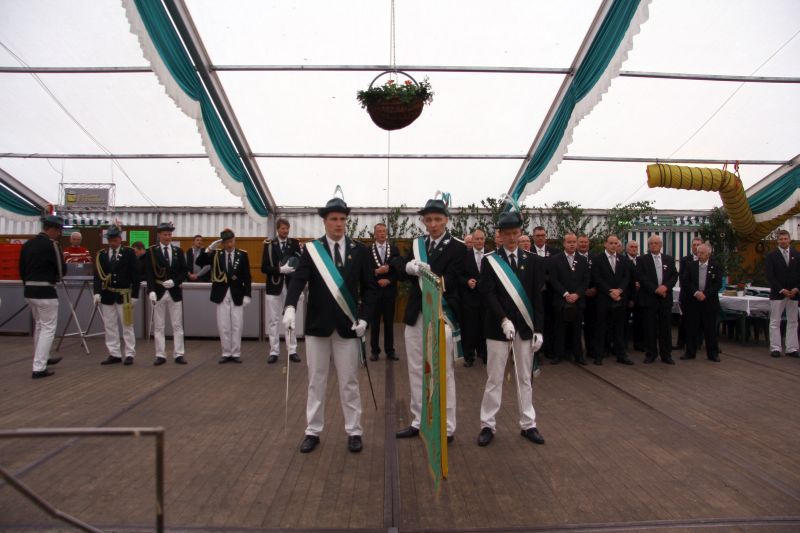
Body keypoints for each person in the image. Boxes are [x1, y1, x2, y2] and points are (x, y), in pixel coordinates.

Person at [282, 198, 377, 454]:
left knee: (349, 381)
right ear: (324, 221)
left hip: (348, 326)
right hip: (318, 326)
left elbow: (370, 289)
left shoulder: (360, 251)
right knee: (316, 381)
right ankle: (313, 430)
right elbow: (298, 280)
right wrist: (290, 306)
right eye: (333, 219)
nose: (338, 224)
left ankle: (354, 430)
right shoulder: (312, 250)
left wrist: (365, 318)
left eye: (342, 219)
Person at [395, 197, 465, 443]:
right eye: (428, 220)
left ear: (446, 219)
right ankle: (419, 420)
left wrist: (430, 275)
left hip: (441, 314)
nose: (433, 224)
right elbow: (398, 267)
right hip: (417, 315)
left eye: (437, 219)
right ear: (423, 221)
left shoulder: (458, 247)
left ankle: (446, 426)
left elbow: (455, 281)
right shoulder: (417, 245)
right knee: (416, 369)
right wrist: (409, 267)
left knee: (443, 371)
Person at [476, 210, 545, 447]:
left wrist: (539, 330)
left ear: (520, 233)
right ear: (500, 235)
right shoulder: (490, 261)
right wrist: (503, 319)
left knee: (525, 377)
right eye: (507, 234)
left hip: (525, 328)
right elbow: (487, 294)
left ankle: (528, 424)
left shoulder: (533, 261)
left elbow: (537, 298)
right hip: (498, 329)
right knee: (494, 378)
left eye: (515, 233)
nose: (512, 238)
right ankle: (487, 425)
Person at [19, 215, 66, 379]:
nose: (59, 234)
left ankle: (43, 357)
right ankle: (39, 367)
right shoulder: (52, 245)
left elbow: (21, 269)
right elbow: (61, 270)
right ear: (52, 229)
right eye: (58, 231)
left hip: (29, 291)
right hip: (46, 291)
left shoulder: (27, 244)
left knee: (39, 326)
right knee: (48, 328)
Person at [196, 229, 251, 364]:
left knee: (237, 324)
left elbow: (247, 277)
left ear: (234, 240)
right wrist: (210, 248)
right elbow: (199, 261)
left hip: (237, 293)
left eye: (231, 241)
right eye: (226, 242)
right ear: (222, 243)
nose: (229, 245)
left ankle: (236, 352)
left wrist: (247, 294)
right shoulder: (216, 254)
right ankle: (226, 352)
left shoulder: (242, 255)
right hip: (221, 293)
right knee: (223, 325)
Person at [94, 226, 139, 366]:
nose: (112, 243)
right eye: (110, 240)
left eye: (114, 240)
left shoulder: (129, 253)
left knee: (127, 324)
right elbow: (98, 275)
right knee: (109, 325)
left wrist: (135, 295)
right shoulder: (102, 254)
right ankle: (114, 353)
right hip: (108, 294)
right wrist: (97, 292)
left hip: (124, 294)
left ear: (120, 239)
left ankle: (130, 353)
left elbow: (135, 274)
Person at [145, 222, 188, 365]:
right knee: (159, 326)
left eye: (169, 234)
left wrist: (175, 281)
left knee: (177, 325)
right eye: (165, 234)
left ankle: (179, 354)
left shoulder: (178, 251)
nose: (168, 237)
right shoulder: (152, 251)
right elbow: (149, 273)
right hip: (158, 291)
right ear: (159, 235)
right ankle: (160, 354)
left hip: (174, 291)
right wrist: (151, 290)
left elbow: (184, 271)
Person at [262, 218, 302, 363]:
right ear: (277, 229)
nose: (285, 231)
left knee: (290, 319)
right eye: (282, 228)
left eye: (287, 228)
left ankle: (292, 350)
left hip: (290, 286)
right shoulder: (269, 245)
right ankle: (274, 351)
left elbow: (300, 263)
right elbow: (264, 268)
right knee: (273, 320)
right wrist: (279, 270)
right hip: (274, 286)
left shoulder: (294, 243)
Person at [592, 235, 633, 365]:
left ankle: (621, 354)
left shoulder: (623, 260)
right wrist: (610, 291)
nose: (613, 245)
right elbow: (597, 278)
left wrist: (619, 290)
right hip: (604, 299)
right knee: (601, 327)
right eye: (611, 243)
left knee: (619, 328)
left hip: (620, 298)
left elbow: (626, 277)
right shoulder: (598, 259)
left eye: (616, 243)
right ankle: (599, 355)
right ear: (605, 244)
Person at [549, 233, 590, 365]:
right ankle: (558, 355)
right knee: (560, 329)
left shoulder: (582, 260)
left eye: (574, 242)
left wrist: (577, 294)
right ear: (564, 243)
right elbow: (553, 280)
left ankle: (578, 355)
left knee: (577, 330)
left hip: (578, 301)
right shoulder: (555, 259)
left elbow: (586, 280)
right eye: (569, 242)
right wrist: (565, 294)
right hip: (561, 300)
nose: (572, 244)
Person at [637, 235, 678, 364]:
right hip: (650, 298)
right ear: (648, 246)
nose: (654, 245)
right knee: (650, 328)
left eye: (656, 243)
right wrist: (656, 289)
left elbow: (674, 276)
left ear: (661, 245)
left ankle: (666, 354)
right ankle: (651, 354)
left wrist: (665, 287)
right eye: (651, 243)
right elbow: (641, 277)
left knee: (665, 328)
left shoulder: (669, 259)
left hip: (665, 298)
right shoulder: (642, 260)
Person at [681, 243, 723, 362]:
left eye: (702, 253)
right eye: (698, 253)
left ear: (709, 254)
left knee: (710, 329)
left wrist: (705, 294)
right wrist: (696, 292)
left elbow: (718, 284)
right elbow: (685, 281)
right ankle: (690, 352)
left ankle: (712, 354)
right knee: (691, 328)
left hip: (709, 302)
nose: (699, 255)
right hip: (693, 302)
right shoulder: (691, 265)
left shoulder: (715, 266)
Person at [765, 229, 800, 358]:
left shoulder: (797, 254)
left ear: (789, 239)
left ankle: (792, 348)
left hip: (794, 293)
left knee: (793, 321)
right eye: (781, 239)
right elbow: (770, 276)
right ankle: (775, 348)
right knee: (775, 321)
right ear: (777, 241)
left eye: (785, 238)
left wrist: (797, 288)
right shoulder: (771, 256)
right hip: (778, 293)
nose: (783, 241)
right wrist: (782, 290)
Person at [369, 222, 398, 361]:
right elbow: (364, 271)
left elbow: (398, 269)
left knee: (389, 323)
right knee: (374, 323)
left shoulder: (394, 249)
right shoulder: (368, 250)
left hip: (389, 292)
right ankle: (374, 351)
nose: (381, 233)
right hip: (374, 292)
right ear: (374, 234)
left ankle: (390, 351)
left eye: (383, 231)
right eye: (379, 231)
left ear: (386, 233)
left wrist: (389, 280)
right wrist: (376, 272)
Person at [460, 228, 488, 366]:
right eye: (477, 239)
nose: (479, 241)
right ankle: (469, 357)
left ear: (485, 240)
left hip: (486, 299)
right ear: (472, 240)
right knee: (470, 329)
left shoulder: (491, 255)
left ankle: (484, 354)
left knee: (485, 328)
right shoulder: (464, 256)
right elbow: (458, 275)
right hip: (470, 299)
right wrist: (467, 281)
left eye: (481, 238)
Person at [531, 226, 559, 359]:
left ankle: (549, 349)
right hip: (534, 293)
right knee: (536, 321)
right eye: (537, 235)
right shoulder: (528, 251)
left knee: (550, 321)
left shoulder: (554, 252)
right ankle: (536, 351)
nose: (540, 238)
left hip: (551, 293)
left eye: (542, 235)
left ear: (546, 237)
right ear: (533, 237)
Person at [675, 237, 702, 350]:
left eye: (698, 245)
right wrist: (694, 291)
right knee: (684, 320)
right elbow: (682, 277)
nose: (696, 247)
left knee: (700, 320)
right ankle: (681, 342)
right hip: (687, 295)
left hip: (702, 296)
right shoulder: (685, 260)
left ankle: (697, 343)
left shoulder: (708, 260)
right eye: (694, 245)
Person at [577, 234, 597, 360]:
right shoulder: (573, 257)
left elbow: (600, 275)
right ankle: (577, 351)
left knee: (592, 325)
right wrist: (582, 291)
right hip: (578, 296)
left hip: (593, 296)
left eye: (586, 242)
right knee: (577, 326)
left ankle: (591, 350)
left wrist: (595, 288)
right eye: (581, 242)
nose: (584, 244)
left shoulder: (595, 258)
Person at [623, 240, 645, 352]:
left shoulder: (642, 261)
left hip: (640, 296)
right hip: (627, 295)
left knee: (639, 321)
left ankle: (638, 343)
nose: (634, 249)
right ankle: (623, 344)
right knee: (624, 321)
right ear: (627, 248)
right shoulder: (623, 260)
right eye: (631, 247)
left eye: (636, 247)